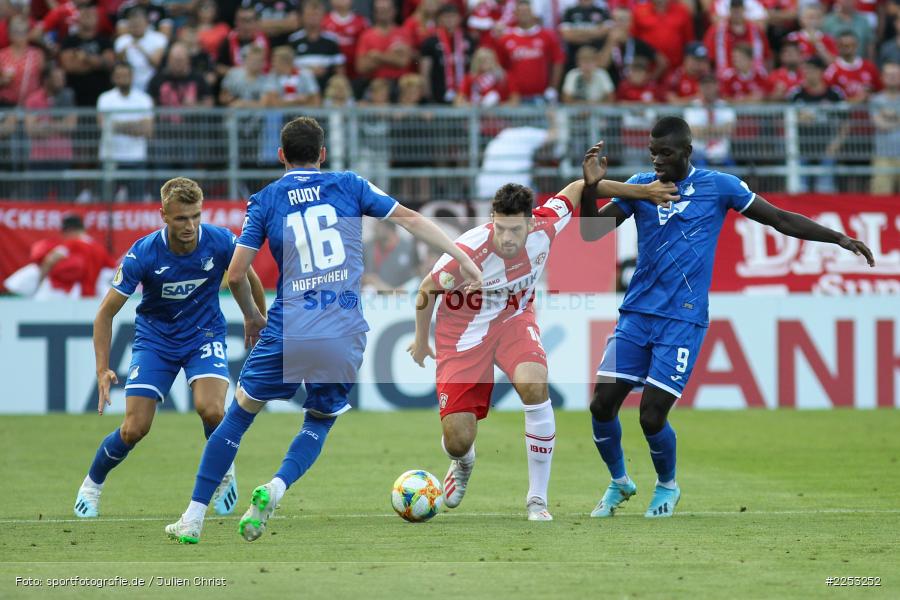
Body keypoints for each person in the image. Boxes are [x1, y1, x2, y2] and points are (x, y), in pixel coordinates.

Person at [164, 116, 483, 544]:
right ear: (323, 154)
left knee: (238, 417)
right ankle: (275, 489)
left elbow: (236, 275)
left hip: (289, 323)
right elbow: (410, 219)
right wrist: (461, 256)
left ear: (280, 156)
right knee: (319, 419)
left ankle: (193, 518)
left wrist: (252, 317)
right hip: (343, 326)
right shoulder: (349, 184)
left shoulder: (265, 200)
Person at [579, 116, 874, 519]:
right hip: (636, 315)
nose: (658, 160)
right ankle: (619, 482)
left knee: (651, 415)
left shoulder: (719, 186)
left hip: (682, 320)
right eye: (653, 152)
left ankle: (667, 486)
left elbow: (780, 219)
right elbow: (590, 232)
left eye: (665, 153)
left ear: (687, 152)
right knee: (601, 405)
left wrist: (837, 237)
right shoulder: (641, 186)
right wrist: (591, 187)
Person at [407, 145, 678, 521]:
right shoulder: (466, 253)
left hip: (514, 322)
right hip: (463, 336)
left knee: (535, 387)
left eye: (514, 230)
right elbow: (425, 291)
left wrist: (646, 192)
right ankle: (463, 464)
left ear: (531, 223)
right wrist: (421, 342)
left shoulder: (547, 224)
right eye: (499, 228)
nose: (505, 238)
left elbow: (579, 187)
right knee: (457, 439)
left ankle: (537, 501)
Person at [73, 177, 267, 519]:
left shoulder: (220, 241)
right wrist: (102, 368)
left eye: (195, 216)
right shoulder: (144, 253)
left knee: (211, 410)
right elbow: (104, 313)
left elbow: (248, 277)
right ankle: (92, 483)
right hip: (155, 341)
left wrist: (257, 318)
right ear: (163, 214)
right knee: (135, 428)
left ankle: (223, 472)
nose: (190, 225)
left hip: (204, 335)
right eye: (181, 218)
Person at [870, 61, 900, 195]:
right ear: (882, 77)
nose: (892, 77)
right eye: (889, 75)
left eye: (895, 74)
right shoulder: (876, 100)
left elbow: (884, 122)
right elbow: (879, 124)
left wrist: (890, 115)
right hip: (883, 155)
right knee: (881, 195)